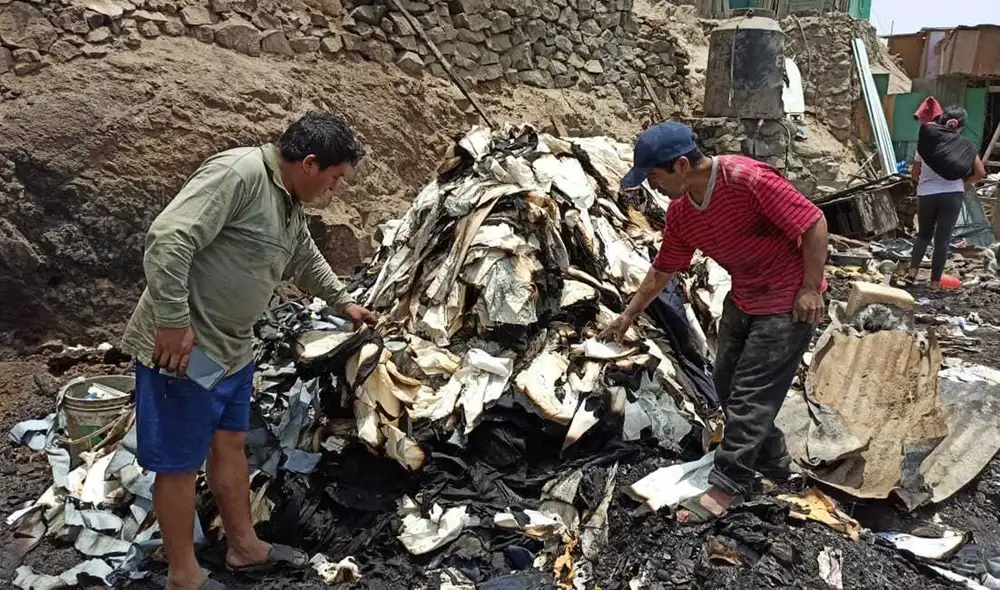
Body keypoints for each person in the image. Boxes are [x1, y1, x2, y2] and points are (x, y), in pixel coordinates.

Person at [120, 111, 377, 590]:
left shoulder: (288, 200)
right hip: (186, 352)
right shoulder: (238, 174)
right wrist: (173, 321)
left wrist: (343, 302)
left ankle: (243, 546)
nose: (335, 188)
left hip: (232, 351)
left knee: (229, 444)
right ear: (310, 163)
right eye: (336, 177)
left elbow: (303, 256)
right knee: (179, 463)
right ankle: (183, 574)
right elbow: (169, 237)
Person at [599, 121, 828, 523]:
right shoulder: (682, 213)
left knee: (751, 395)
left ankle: (728, 486)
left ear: (681, 165)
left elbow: (813, 223)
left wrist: (810, 288)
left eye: (654, 176)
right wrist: (627, 315)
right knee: (725, 383)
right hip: (744, 296)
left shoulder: (747, 179)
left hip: (787, 301)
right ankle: (772, 459)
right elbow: (663, 269)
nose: (653, 186)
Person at [904, 106, 987, 288]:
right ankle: (934, 283)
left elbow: (915, 173)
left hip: (927, 194)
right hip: (952, 194)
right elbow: (980, 173)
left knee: (923, 235)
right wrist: (964, 182)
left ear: (942, 120)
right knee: (943, 240)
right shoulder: (966, 146)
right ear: (960, 126)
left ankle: (911, 274)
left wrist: (924, 181)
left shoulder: (926, 142)